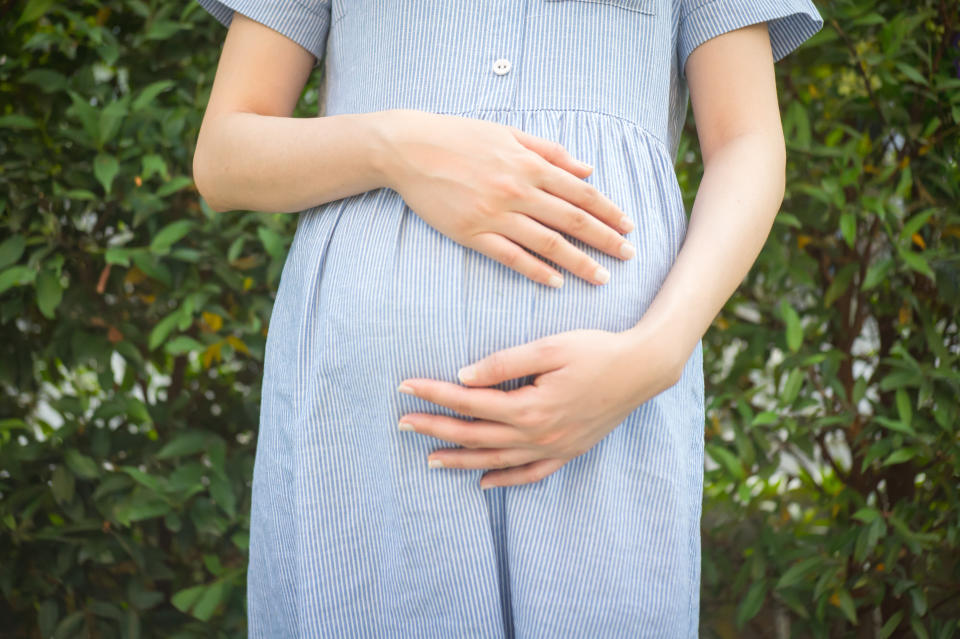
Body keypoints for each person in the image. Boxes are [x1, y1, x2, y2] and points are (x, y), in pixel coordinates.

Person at [190, 0, 823, 636]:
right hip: (367, 432)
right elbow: (224, 156)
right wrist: (396, 147)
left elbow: (747, 141)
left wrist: (657, 354)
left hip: (610, 419)